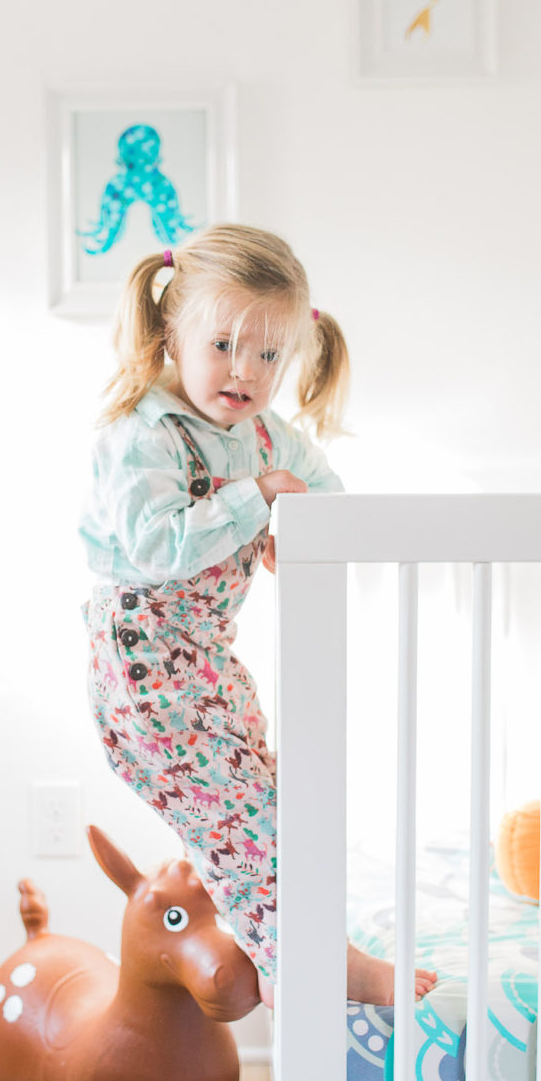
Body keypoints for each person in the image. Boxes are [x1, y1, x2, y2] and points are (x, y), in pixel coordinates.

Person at [79, 224, 437, 1008]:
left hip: (205, 660)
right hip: (144, 673)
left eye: (269, 354)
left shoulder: (269, 434)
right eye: (225, 345)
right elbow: (156, 543)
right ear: (173, 332)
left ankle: (275, 951)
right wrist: (256, 501)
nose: (245, 371)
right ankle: (309, 967)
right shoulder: (143, 432)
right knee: (255, 828)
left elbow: (326, 492)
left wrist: (296, 527)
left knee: (270, 812)